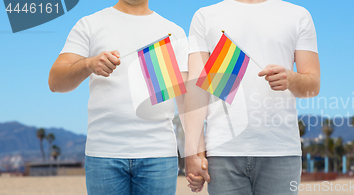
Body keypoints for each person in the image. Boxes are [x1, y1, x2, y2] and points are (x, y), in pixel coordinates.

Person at [48, 0, 188, 194]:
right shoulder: (89, 24)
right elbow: (55, 82)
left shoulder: (174, 32)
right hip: (104, 155)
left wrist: (194, 152)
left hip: (159, 155)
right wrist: (88, 64)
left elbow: (184, 100)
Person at [184, 0, 320, 194]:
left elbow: (313, 86)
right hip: (223, 152)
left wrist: (291, 79)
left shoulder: (298, 15)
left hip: (280, 152)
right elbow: (196, 89)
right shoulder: (205, 16)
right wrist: (193, 151)